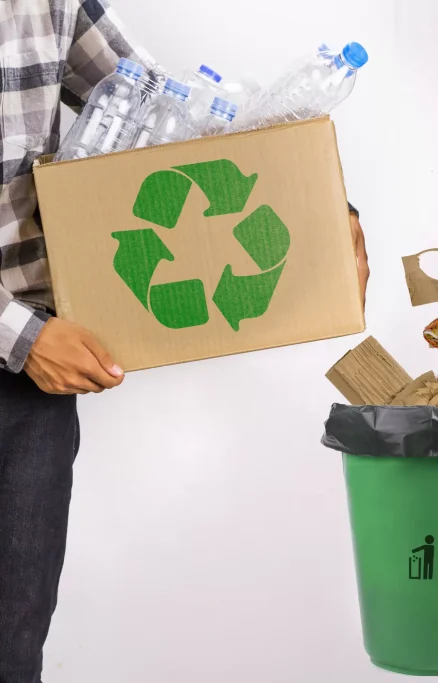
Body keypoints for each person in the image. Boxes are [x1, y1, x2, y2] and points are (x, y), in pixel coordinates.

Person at [0, 2, 369, 680]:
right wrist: (20, 335)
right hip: (29, 343)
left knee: (12, 642)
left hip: (32, 380)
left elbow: (160, 107)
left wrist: (317, 201)